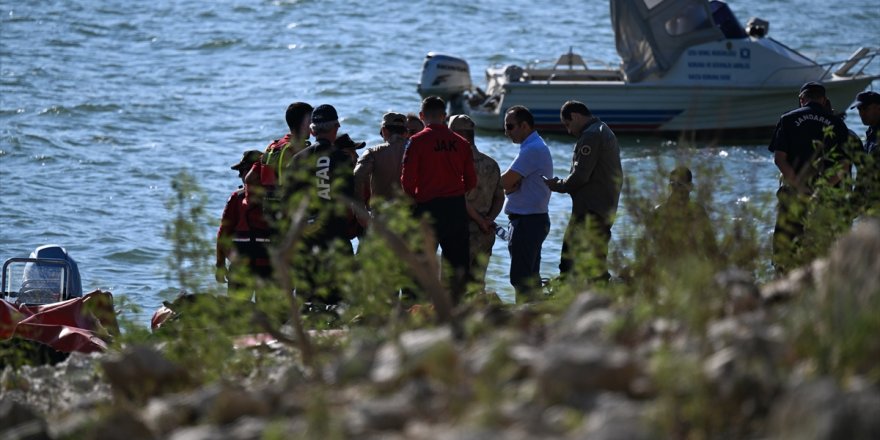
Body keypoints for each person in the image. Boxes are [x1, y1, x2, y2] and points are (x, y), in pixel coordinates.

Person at [400, 96, 477, 303]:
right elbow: (471, 181)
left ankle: (415, 309)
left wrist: (417, 198)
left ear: (421, 116)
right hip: (455, 208)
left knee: (420, 265)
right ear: (445, 116)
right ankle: (457, 309)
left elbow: (406, 182)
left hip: (427, 207)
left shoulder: (416, 141)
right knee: (457, 265)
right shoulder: (461, 143)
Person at [768, 82, 849, 273]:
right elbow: (844, 165)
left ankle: (784, 290)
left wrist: (799, 186)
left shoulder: (787, 119)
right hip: (825, 197)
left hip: (794, 195)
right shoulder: (837, 123)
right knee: (823, 252)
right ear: (823, 100)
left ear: (801, 99)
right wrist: (821, 189)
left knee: (786, 251)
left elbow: (780, 159)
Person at [545, 100, 622, 283]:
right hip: (603, 206)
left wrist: (556, 184)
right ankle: (597, 297)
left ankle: (567, 300)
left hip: (590, 209)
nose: (569, 131)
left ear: (575, 116)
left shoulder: (591, 135)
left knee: (569, 258)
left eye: (568, 124)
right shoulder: (603, 129)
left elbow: (580, 177)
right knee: (595, 258)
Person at [289, 104, 357, 309]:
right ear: (336, 127)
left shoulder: (298, 160)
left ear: (312, 131)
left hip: (306, 238)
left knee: (306, 299)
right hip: (335, 235)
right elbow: (348, 199)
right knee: (341, 298)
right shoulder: (342, 160)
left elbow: (288, 204)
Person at [501, 105, 553, 301]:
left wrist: (501, 185)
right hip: (532, 219)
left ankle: (526, 321)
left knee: (521, 279)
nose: (506, 132)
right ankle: (535, 317)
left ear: (524, 126)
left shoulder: (532, 149)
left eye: (510, 126)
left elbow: (505, 181)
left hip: (527, 221)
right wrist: (509, 185)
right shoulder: (533, 146)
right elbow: (510, 183)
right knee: (530, 278)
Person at [449, 114, 504, 291]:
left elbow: (460, 198)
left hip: (463, 232)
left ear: (458, 135)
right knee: (477, 286)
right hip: (486, 233)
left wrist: (480, 221)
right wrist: (488, 219)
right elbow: (499, 197)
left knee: (453, 287)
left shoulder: (457, 163)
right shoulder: (492, 164)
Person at [216, 150, 269, 292]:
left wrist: (220, 264)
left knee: (238, 311)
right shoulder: (276, 196)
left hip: (246, 266)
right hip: (267, 266)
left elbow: (223, 233)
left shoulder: (237, 197)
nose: (239, 175)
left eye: (242, 170)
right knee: (268, 312)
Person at [650, 167, 718, 261]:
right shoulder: (659, 212)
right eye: (672, 185)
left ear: (690, 187)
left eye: (680, 184)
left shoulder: (698, 212)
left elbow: (711, 249)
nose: (675, 189)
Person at [353, 112, 409, 213]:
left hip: (381, 215)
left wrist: (360, 209)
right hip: (409, 215)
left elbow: (357, 176)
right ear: (406, 133)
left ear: (384, 131)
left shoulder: (373, 153)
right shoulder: (417, 151)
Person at [851, 91, 880, 214]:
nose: (861, 113)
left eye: (865, 108)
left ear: (878, 107)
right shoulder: (871, 132)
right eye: (859, 109)